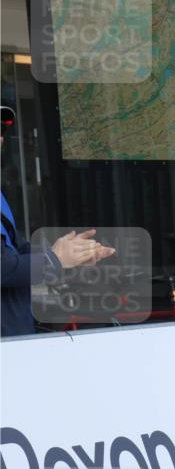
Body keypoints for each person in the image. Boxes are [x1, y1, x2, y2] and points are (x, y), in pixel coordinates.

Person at [1, 107, 116, 337]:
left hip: (16, 335)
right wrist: (54, 259)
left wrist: (70, 256)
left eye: (1, 130)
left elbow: (18, 250)